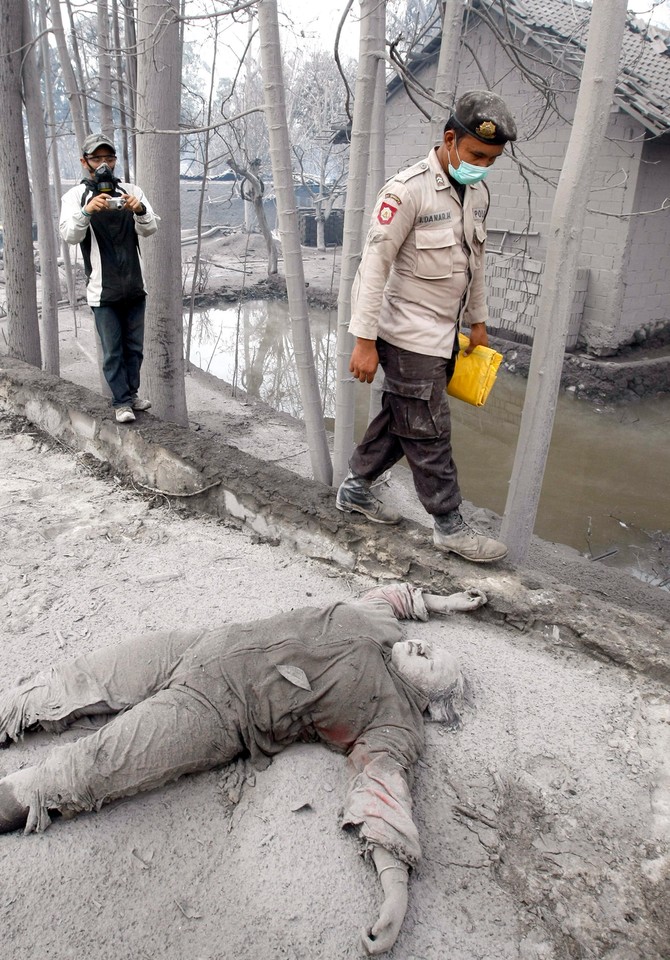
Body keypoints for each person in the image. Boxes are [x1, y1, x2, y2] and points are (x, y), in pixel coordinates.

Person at [0, 582, 485, 956]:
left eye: (438, 663)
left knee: (91, 766)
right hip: (199, 645)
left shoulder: (393, 719)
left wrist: (394, 889)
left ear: (430, 700)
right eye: (432, 643)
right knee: (71, 681)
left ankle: (11, 799)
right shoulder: (381, 625)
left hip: (219, 710)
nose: (427, 648)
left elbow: (384, 790)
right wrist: (443, 603)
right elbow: (393, 597)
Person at [336, 90, 517, 564]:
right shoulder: (406, 190)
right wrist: (364, 340)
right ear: (450, 139)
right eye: (476, 155)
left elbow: (475, 260)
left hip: (444, 336)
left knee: (405, 419)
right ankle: (449, 525)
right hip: (404, 333)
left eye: (492, 159)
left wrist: (477, 319)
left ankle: (355, 489)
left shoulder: (476, 192)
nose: (482, 165)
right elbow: (373, 267)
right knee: (431, 428)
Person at [59, 133, 158, 424]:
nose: (104, 165)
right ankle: (120, 403)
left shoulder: (131, 190)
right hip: (102, 289)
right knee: (113, 349)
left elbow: (150, 228)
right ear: (84, 162)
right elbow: (69, 234)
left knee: (135, 347)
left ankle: (133, 393)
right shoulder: (75, 197)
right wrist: (87, 211)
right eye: (97, 158)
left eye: (109, 158)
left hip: (135, 285)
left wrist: (138, 208)